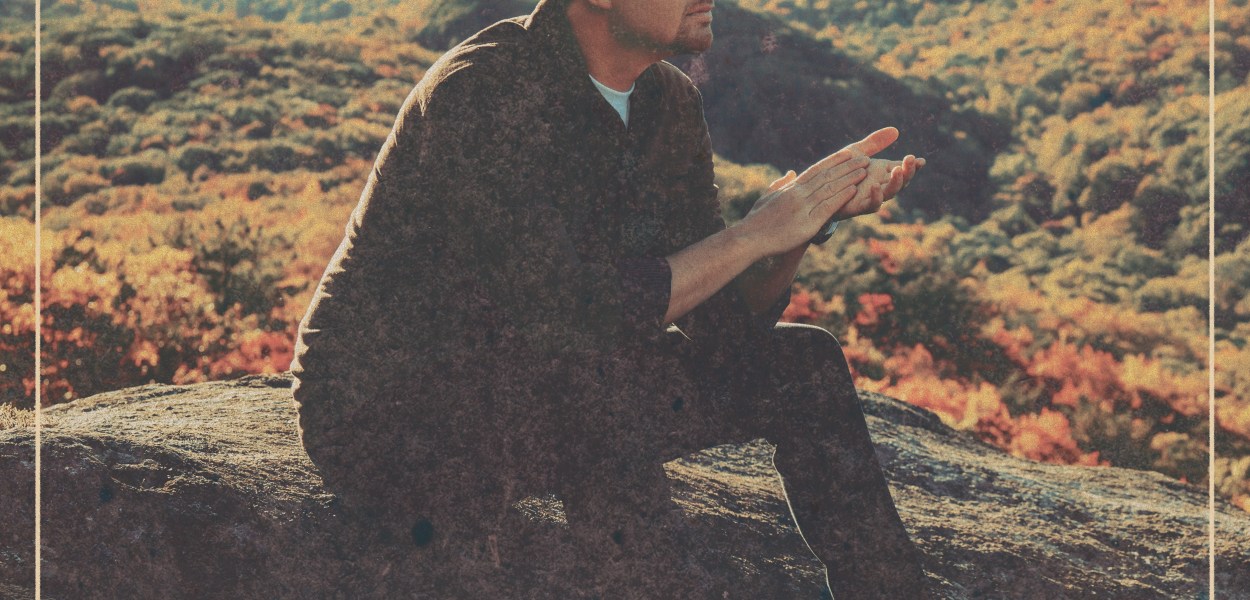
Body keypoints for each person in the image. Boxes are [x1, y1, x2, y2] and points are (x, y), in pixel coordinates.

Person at [291, 0, 931, 597]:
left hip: (552, 382)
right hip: (396, 410)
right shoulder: (484, 89)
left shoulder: (667, 100)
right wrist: (749, 236)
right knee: (593, 389)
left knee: (801, 365)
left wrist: (797, 229)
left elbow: (723, 328)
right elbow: (570, 315)